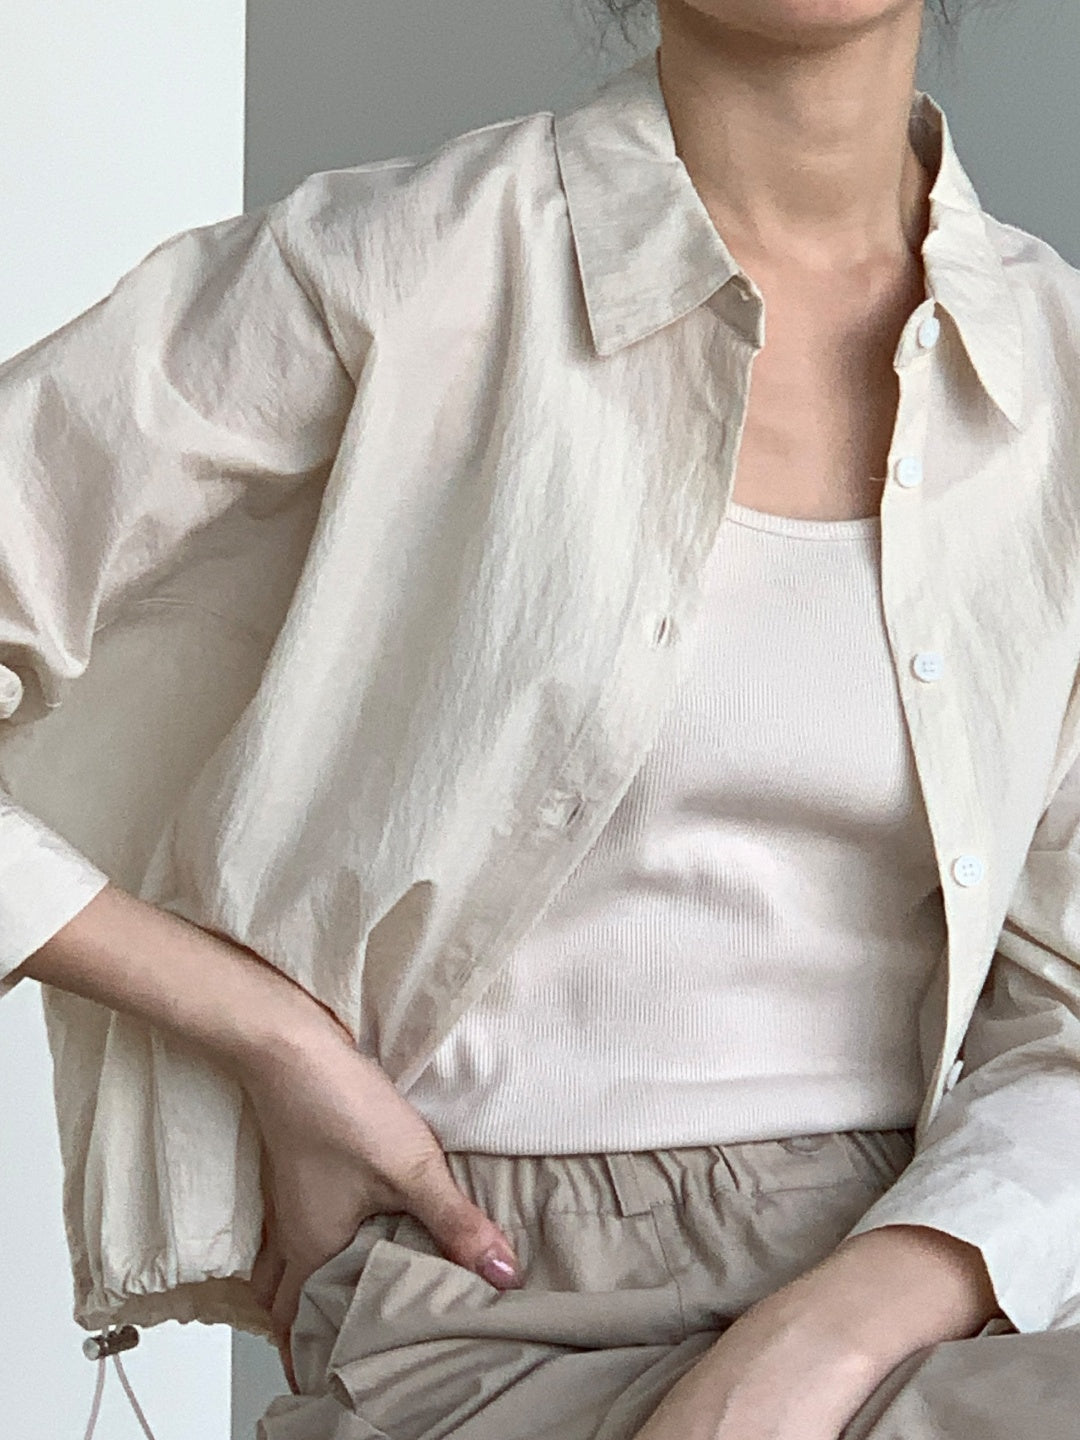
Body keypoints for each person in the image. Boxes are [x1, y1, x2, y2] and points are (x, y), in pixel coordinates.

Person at [5, 0, 1080, 1436]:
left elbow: (1067, 1015)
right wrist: (266, 1032)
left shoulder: (1059, 378)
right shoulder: (396, 274)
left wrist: (816, 1350)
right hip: (478, 1286)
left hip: (908, 1277)